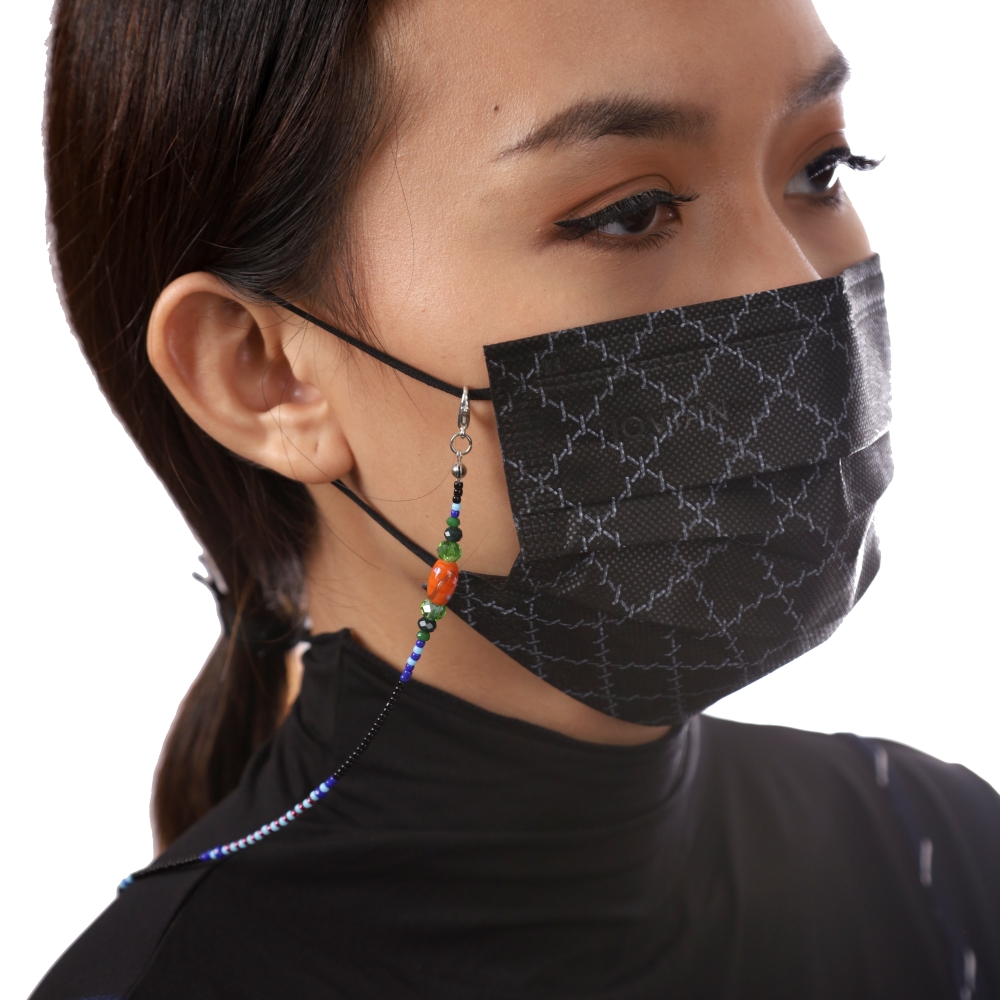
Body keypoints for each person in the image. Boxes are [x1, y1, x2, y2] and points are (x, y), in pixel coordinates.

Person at [34, 0, 998, 997]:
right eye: (629, 213)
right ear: (265, 373)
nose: (794, 287)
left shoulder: (942, 863)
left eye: (821, 170)